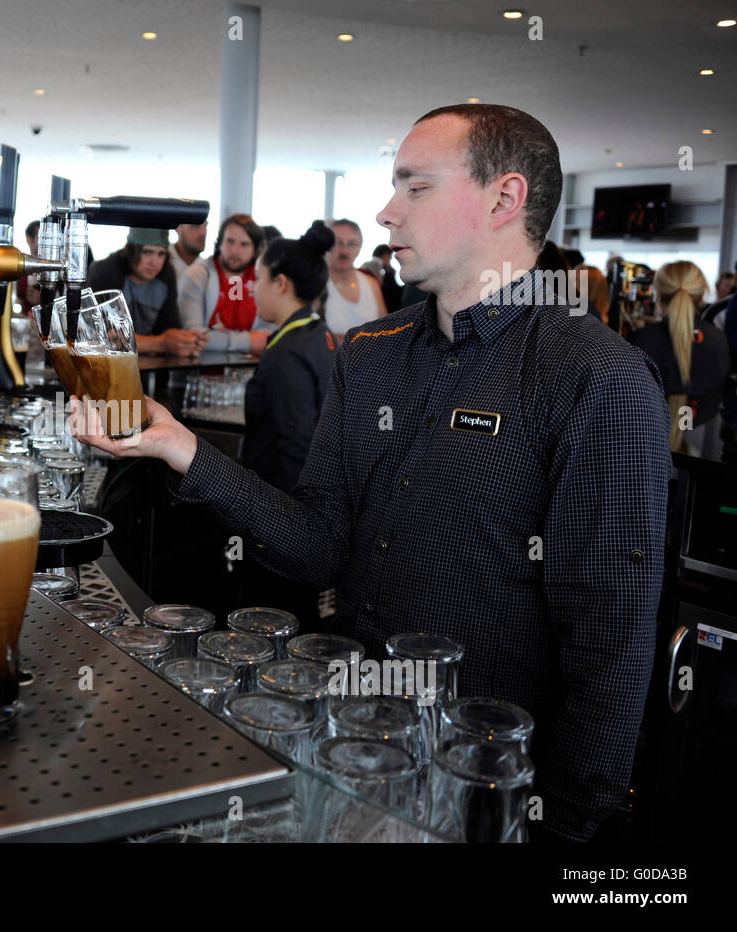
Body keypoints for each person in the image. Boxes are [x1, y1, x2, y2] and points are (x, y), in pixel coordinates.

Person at [73, 103, 671, 843]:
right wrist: (182, 448)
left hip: (483, 799)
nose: (387, 212)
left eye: (415, 188)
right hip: (349, 762)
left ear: (503, 199)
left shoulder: (595, 377)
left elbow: (609, 640)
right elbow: (320, 544)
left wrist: (565, 830)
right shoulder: (370, 352)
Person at [241, 220, 336, 492]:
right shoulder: (319, 332)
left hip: (282, 499)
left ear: (281, 284)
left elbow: (296, 449)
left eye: (259, 278)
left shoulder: (287, 354)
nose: (253, 288)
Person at [632, 261, 729, 456]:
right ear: (701, 294)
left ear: (658, 295)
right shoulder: (719, 339)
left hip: (645, 439)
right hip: (706, 447)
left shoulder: (644, 339)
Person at [87, 228, 205, 357]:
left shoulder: (166, 273)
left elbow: (169, 326)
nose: (154, 262)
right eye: (147, 252)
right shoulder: (104, 271)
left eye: (161, 254)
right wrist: (163, 343)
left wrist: (186, 341)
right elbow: (102, 337)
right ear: (131, 250)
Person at [178, 213, 271, 353]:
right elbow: (193, 337)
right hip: (200, 371)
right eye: (230, 241)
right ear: (220, 243)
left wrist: (220, 339)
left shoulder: (262, 278)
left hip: (250, 370)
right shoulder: (197, 275)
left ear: (255, 250)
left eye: (244, 244)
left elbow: (272, 331)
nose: (234, 251)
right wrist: (249, 341)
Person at [324, 219, 387, 337]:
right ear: (328, 245)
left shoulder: (371, 284)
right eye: (338, 243)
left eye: (352, 244)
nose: (344, 251)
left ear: (360, 248)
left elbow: (385, 331)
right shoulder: (315, 283)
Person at [372, 244, 404, 312]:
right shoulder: (379, 269)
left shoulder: (385, 270)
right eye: (390, 256)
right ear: (386, 255)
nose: (390, 259)